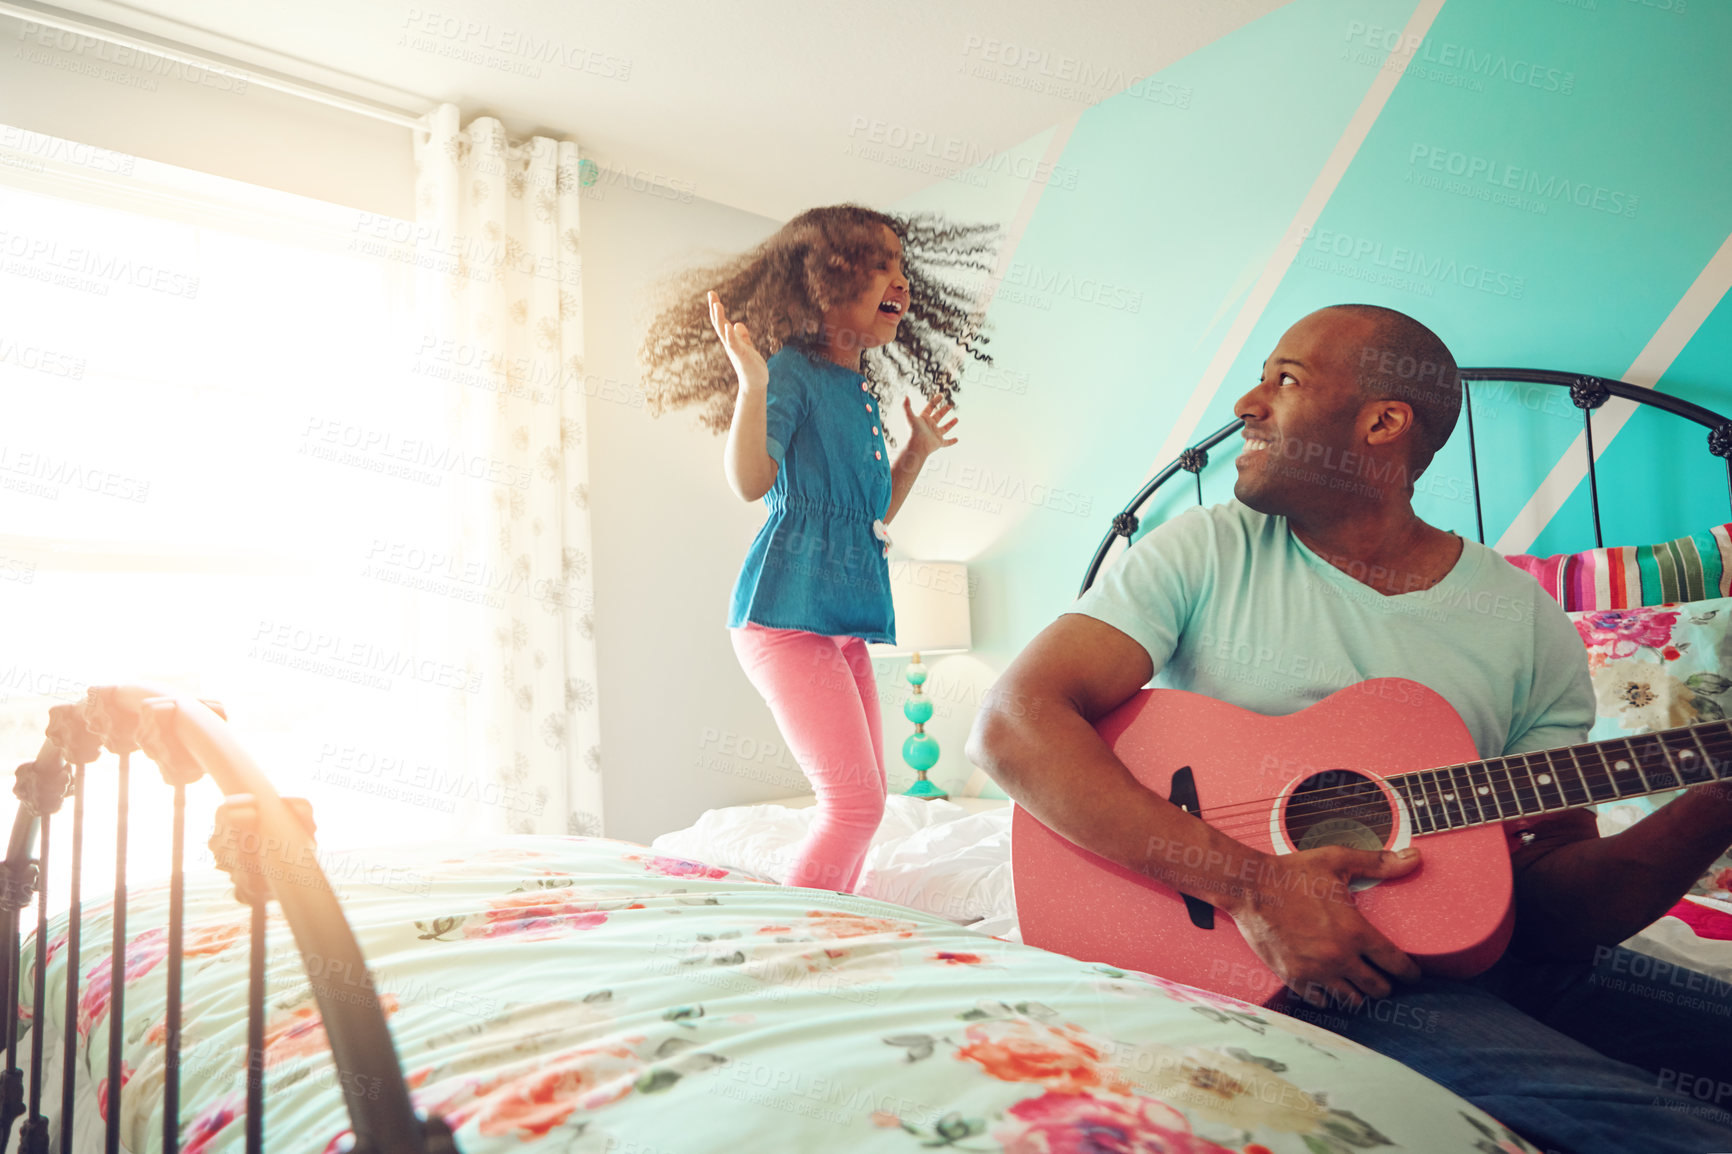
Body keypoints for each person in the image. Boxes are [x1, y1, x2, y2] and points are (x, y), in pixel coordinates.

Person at [968, 303, 1732, 1154]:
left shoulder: (1523, 619)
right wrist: (1256, 886)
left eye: (1284, 379)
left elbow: (1553, 910)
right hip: (1296, 965)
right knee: (1670, 1128)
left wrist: (1716, 804)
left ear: (1381, 422)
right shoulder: (1208, 550)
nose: (1247, 404)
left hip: (1478, 956)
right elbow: (1013, 723)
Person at [640, 205, 994, 892]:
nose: (901, 281)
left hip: (840, 624)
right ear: (824, 285)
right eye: (878, 266)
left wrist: (916, 454)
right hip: (784, 617)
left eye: (902, 266)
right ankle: (799, 936)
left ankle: (840, 923)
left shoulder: (855, 388)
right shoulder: (791, 373)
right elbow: (751, 483)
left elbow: (868, 515)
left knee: (868, 801)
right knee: (854, 805)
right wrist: (754, 385)